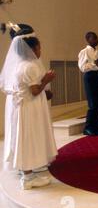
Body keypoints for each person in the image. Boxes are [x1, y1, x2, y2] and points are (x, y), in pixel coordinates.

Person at [0, 25, 58, 190]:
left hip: (23, 106)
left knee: (24, 137)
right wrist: (47, 79)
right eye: (39, 47)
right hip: (29, 108)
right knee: (28, 138)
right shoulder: (30, 66)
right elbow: (34, 91)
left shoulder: (20, 64)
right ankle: (28, 177)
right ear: (31, 49)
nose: (41, 50)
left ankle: (26, 169)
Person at [78, 32, 98, 136]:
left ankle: (96, 127)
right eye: (94, 38)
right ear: (88, 39)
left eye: (97, 38)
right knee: (93, 104)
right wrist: (95, 62)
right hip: (89, 77)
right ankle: (88, 128)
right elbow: (82, 67)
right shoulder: (84, 52)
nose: (96, 40)